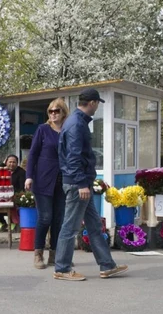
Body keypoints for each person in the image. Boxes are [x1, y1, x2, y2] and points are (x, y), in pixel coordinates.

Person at [54, 88, 127, 281]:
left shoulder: (74, 121)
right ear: (93, 103)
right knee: (70, 227)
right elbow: (74, 157)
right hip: (78, 184)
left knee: (94, 226)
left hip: (79, 181)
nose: (96, 109)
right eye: (97, 105)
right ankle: (62, 268)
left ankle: (107, 265)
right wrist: (81, 184)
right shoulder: (77, 124)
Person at [25, 98, 69, 269]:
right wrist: (29, 176)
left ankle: (55, 254)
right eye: (50, 111)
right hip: (43, 179)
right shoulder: (43, 129)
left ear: (63, 112)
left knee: (58, 218)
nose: (53, 114)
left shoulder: (68, 131)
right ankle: (38, 253)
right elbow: (33, 154)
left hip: (63, 180)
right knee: (45, 217)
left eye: (56, 111)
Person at [0, 154, 26, 232]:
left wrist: (13, 195)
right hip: (2, 195)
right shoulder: (3, 170)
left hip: (14, 196)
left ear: (17, 163)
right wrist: (2, 164)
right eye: (10, 162)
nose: (11, 164)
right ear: (6, 162)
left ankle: (13, 223)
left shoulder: (21, 172)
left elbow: (21, 188)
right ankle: (2, 222)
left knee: (13, 204)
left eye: (14, 162)